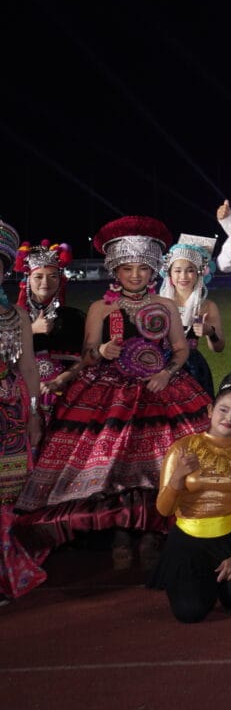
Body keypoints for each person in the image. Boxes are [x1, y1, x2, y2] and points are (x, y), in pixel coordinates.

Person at [19, 216, 207, 572]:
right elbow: (87, 354)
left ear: (152, 270)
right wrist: (101, 351)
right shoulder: (100, 307)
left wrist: (166, 373)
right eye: (127, 268)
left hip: (159, 389)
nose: (135, 275)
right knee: (114, 468)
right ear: (115, 270)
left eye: (142, 268)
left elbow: (181, 349)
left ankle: (152, 534)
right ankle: (120, 533)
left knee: (160, 465)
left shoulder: (165, 305)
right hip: (109, 392)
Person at [151, 370, 231, 622]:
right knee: (190, 612)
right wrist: (177, 478)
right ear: (210, 410)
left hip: (229, 538)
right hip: (188, 541)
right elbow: (164, 509)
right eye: (224, 410)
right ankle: (203, 583)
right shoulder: (182, 448)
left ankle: (222, 581)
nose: (229, 418)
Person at [0, 221, 45, 600]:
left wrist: (33, 414)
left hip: (10, 415)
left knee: (7, 494)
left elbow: (28, 367)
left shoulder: (17, 317)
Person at [15, 239, 86, 419]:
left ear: (60, 280)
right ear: (28, 280)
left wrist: (58, 381)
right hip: (19, 393)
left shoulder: (73, 317)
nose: (45, 282)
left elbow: (83, 360)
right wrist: (31, 330)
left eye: (52, 276)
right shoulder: (12, 316)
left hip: (61, 391)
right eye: (38, 276)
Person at [158, 235, 221, 398]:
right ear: (169, 273)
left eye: (190, 270)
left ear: (200, 273)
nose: (183, 276)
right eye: (178, 270)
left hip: (192, 368)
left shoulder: (206, 306)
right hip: (158, 364)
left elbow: (218, 347)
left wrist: (210, 332)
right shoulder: (157, 303)